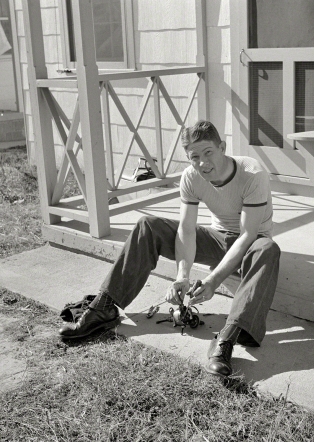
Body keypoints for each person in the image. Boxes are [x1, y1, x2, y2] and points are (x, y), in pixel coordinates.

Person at [59, 120, 281, 378]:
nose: (202, 163)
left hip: (251, 243)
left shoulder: (252, 174)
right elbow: (186, 230)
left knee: (269, 249)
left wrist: (212, 280)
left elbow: (247, 236)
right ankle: (106, 305)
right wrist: (182, 277)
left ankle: (227, 337)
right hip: (217, 238)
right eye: (194, 157)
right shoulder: (191, 176)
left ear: (222, 147)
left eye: (208, 152)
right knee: (148, 226)